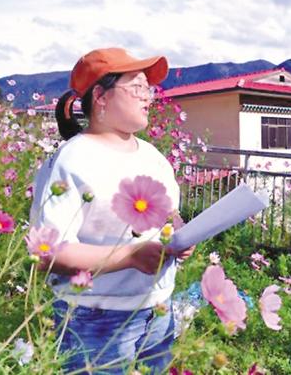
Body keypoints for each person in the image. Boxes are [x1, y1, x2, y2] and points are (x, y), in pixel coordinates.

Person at [29, 47, 193, 374]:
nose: (148, 96)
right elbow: (48, 254)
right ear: (101, 97)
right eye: (137, 86)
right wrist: (130, 256)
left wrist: (181, 234)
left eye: (149, 88)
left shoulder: (153, 157)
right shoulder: (73, 159)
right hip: (94, 317)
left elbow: (169, 215)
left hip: (157, 309)